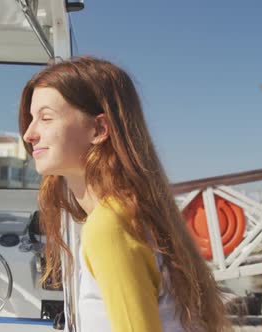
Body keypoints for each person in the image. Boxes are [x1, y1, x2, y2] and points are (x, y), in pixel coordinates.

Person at [19, 56, 230, 332]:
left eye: (45, 118)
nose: (29, 134)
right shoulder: (130, 213)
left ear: (99, 129)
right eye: (32, 119)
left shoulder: (110, 226)